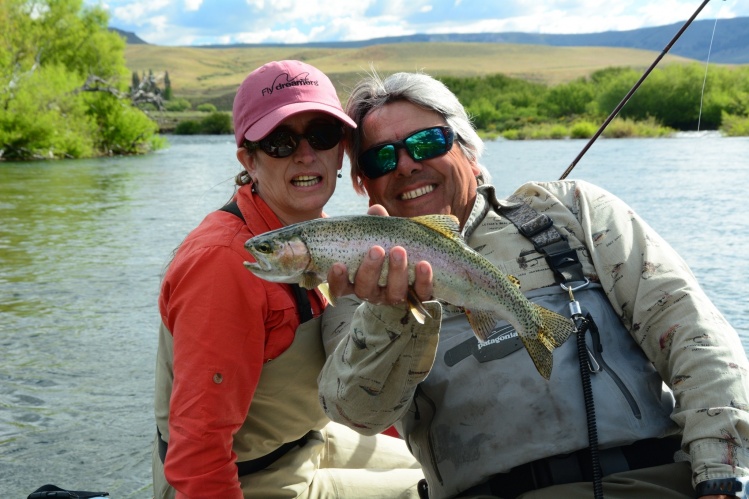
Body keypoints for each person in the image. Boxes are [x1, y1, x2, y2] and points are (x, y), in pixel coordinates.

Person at [317, 70, 749, 499]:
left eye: (427, 142)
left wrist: (719, 477)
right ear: (362, 183)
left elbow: (695, 336)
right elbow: (356, 414)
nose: (407, 164)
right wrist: (386, 312)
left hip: (643, 483)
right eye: (381, 158)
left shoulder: (571, 211)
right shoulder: (349, 280)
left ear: (469, 151)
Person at [151, 60, 423, 499]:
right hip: (244, 479)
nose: (305, 154)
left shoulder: (323, 234)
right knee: (440, 490)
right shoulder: (223, 266)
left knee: (445, 460)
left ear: (341, 151)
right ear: (249, 161)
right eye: (280, 141)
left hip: (305, 441)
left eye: (322, 134)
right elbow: (197, 451)